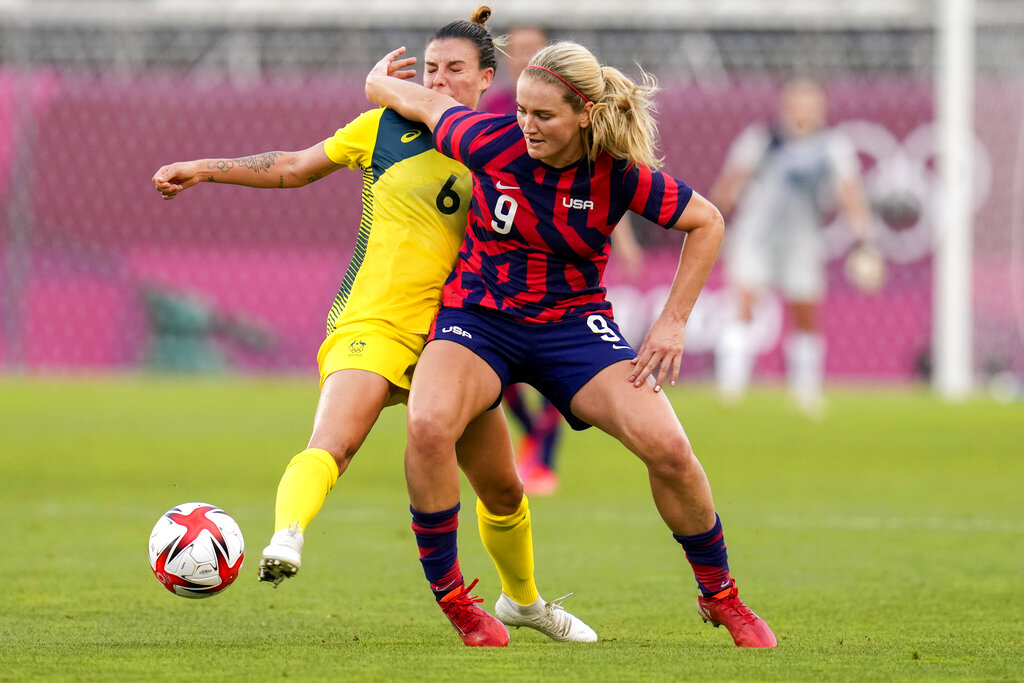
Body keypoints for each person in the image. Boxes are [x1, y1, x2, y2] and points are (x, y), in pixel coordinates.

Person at [151, 7, 595, 647]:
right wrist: (204, 166)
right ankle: (288, 535)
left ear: (487, 79)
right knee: (334, 443)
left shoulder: (503, 147)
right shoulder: (382, 127)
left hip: (457, 338)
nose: (439, 81)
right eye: (431, 68)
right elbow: (295, 166)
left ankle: (524, 602)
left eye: (455, 71)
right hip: (375, 322)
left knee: (502, 486)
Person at [365, 38, 778, 647]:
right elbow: (413, 99)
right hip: (479, 318)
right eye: (522, 111)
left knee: (669, 448)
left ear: (584, 114)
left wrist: (671, 323)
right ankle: (457, 602)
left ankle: (721, 596)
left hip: (571, 326)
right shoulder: (486, 139)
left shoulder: (618, 174)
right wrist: (378, 79)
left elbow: (708, 221)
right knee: (427, 425)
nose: (526, 125)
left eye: (543, 115)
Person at [486, 24, 645, 496]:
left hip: (564, 261)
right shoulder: (499, 114)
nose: (524, 57)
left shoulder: (584, 126)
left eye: (533, 50)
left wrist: (628, 241)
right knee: (495, 361)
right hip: (504, 258)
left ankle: (544, 452)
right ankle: (529, 437)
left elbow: (608, 186)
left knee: (562, 355)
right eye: (516, 50)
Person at [708, 78, 873, 418]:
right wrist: (712, 223)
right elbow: (730, 184)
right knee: (744, 304)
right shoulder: (763, 140)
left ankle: (806, 391)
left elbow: (850, 194)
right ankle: (731, 388)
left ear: (821, 110)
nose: (803, 112)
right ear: (785, 108)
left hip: (803, 241)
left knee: (806, 312)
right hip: (758, 237)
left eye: (811, 105)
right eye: (798, 104)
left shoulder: (832, 147)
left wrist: (862, 239)